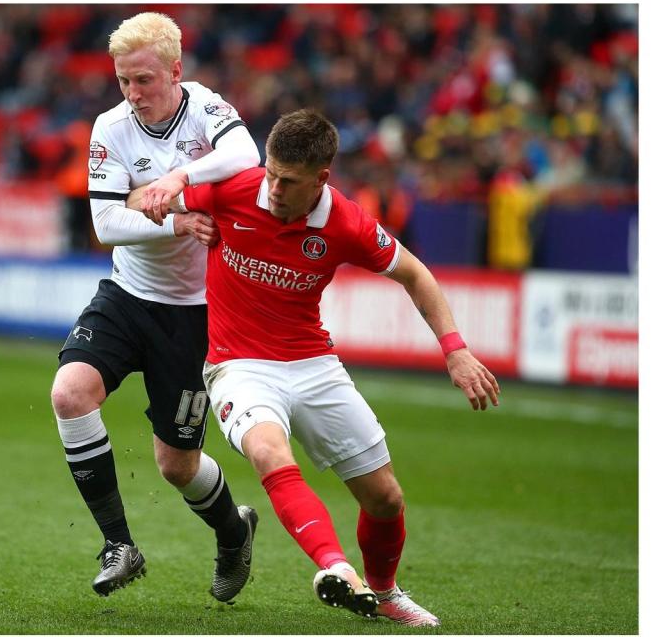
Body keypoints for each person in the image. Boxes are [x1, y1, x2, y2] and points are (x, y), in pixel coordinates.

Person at [133, 109, 500, 627]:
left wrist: (455, 349)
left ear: (322, 179)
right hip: (239, 366)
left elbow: (416, 274)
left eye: (289, 180)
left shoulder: (346, 222)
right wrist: (176, 215)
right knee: (266, 449)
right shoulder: (234, 188)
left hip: (313, 364)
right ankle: (336, 570)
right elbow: (134, 201)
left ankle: (385, 591)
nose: (274, 187)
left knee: (385, 499)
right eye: (271, 172)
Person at [48, 12, 262, 602]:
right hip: (126, 295)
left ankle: (233, 531)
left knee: (176, 465)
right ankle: (120, 543)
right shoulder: (110, 127)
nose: (133, 94)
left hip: (194, 313)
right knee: (70, 393)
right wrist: (177, 218)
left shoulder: (207, 110)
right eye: (123, 81)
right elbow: (107, 223)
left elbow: (248, 156)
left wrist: (172, 182)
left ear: (175, 69)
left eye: (143, 80)